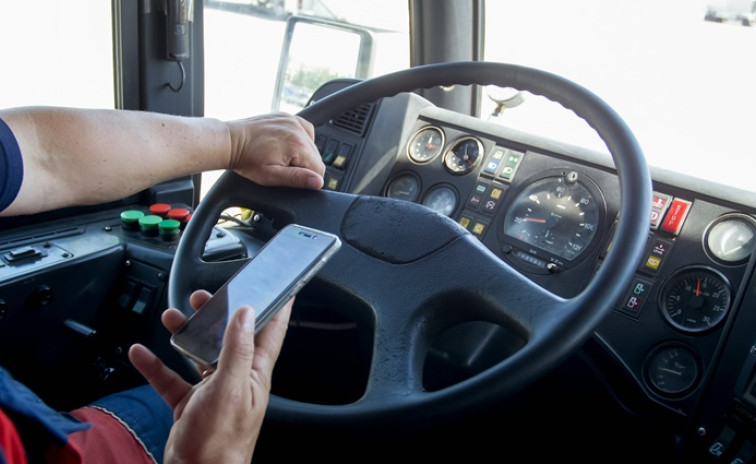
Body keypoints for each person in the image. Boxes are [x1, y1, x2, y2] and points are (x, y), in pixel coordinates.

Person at [0, 106, 327, 463]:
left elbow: (41, 154)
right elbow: (43, 154)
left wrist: (237, 142)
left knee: (175, 399)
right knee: (189, 410)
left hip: (19, 427)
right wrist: (217, 456)